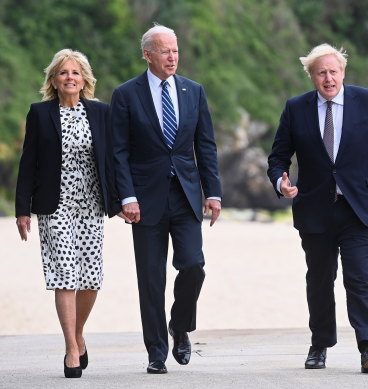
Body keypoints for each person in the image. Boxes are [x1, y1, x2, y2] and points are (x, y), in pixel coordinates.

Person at [267, 43, 368, 373]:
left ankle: (367, 346)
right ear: (312, 77)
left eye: (333, 71)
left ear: (343, 73)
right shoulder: (296, 108)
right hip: (314, 210)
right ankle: (319, 344)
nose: (328, 78)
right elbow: (277, 158)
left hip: (357, 209)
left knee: (359, 278)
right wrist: (281, 182)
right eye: (321, 72)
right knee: (319, 280)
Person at [110, 24, 222, 374]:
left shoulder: (193, 90)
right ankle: (156, 352)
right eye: (164, 50)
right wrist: (126, 196)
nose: (172, 56)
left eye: (175, 50)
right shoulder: (126, 94)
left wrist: (213, 192)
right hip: (143, 201)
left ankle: (179, 325)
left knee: (193, 265)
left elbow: (205, 145)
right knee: (151, 278)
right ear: (147, 54)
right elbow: (119, 152)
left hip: (187, 195)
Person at [15, 49, 119, 378]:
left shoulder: (102, 113)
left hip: (91, 206)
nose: (70, 77)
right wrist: (23, 209)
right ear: (54, 81)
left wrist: (126, 199)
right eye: (63, 73)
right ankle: (71, 348)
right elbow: (28, 163)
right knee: (65, 275)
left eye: (75, 72)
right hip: (54, 207)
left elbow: (115, 160)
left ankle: (78, 333)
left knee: (91, 279)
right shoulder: (40, 113)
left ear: (85, 79)